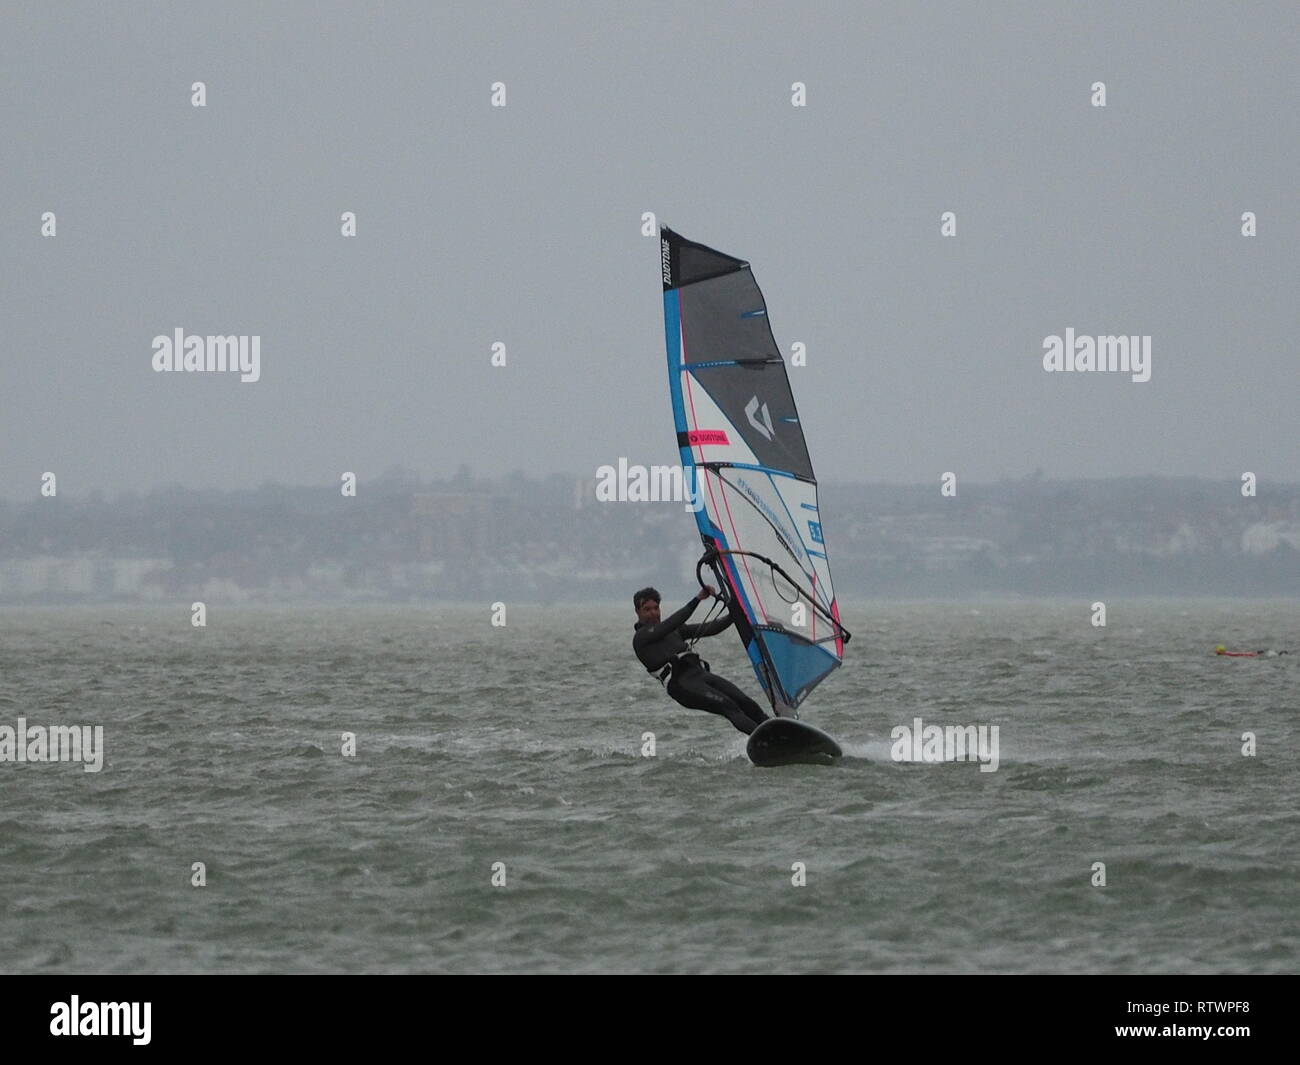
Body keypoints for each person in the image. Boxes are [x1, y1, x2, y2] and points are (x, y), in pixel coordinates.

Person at [632, 585, 770, 735]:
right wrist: (697, 599)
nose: (653, 613)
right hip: (681, 684)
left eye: (656, 608)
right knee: (728, 706)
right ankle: (766, 740)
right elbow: (673, 622)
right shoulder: (641, 638)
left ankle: (777, 729)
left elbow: (712, 628)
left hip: (700, 675)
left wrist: (736, 610)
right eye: (647, 609)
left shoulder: (674, 630)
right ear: (637, 612)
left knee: (744, 701)